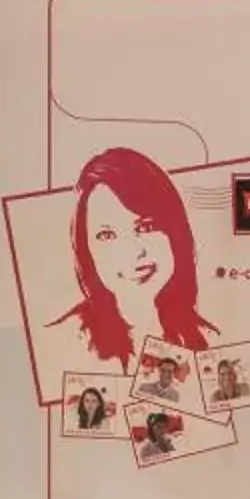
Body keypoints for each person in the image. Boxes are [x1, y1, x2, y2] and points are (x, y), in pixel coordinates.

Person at [50, 147, 221, 371]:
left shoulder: (211, 340)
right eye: (107, 235)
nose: (133, 252)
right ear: (85, 249)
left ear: (175, 231)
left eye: (146, 226)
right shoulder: (66, 343)